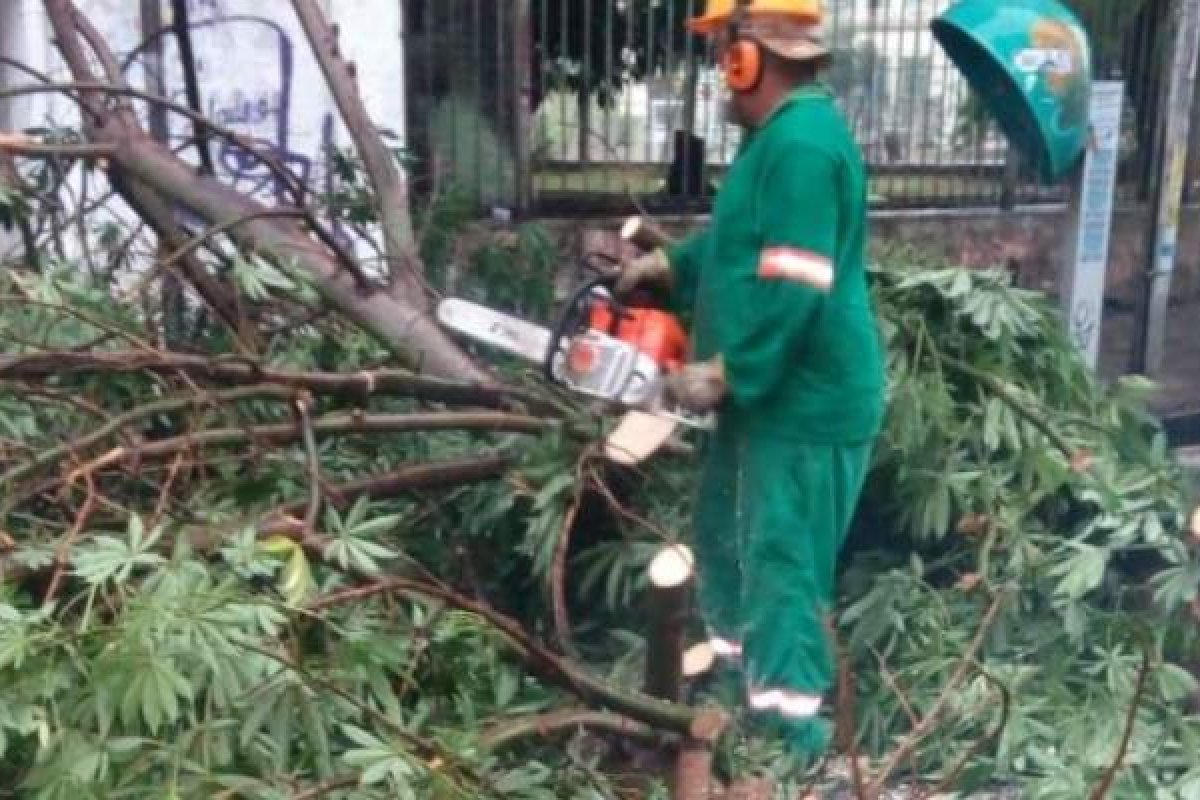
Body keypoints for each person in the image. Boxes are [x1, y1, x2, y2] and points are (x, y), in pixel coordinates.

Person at [616, 0, 887, 764]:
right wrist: (670, 267)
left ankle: (793, 742)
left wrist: (732, 371)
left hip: (800, 401)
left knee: (781, 563)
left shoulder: (802, 147)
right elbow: (739, 248)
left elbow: (797, 282)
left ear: (751, 57)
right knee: (726, 544)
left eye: (723, 54)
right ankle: (739, 696)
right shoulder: (776, 144)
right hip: (761, 403)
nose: (719, 73)